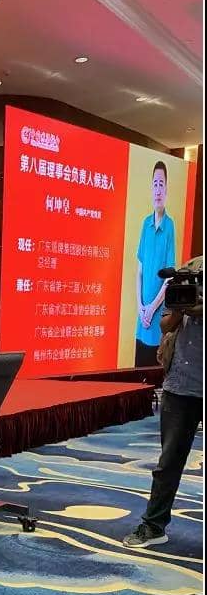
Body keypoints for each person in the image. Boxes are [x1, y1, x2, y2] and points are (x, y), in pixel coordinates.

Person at [123, 263, 202, 548]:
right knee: (168, 462)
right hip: (181, 384)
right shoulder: (190, 271)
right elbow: (165, 325)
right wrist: (182, 309)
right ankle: (153, 526)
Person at [134, 161, 176, 368]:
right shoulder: (145, 224)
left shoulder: (170, 226)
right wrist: (141, 307)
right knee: (137, 372)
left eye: (162, 184)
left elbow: (170, 277)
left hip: (157, 317)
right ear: (151, 188)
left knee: (154, 373)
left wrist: (151, 309)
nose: (158, 189)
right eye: (155, 184)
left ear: (166, 190)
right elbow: (139, 271)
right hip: (142, 317)